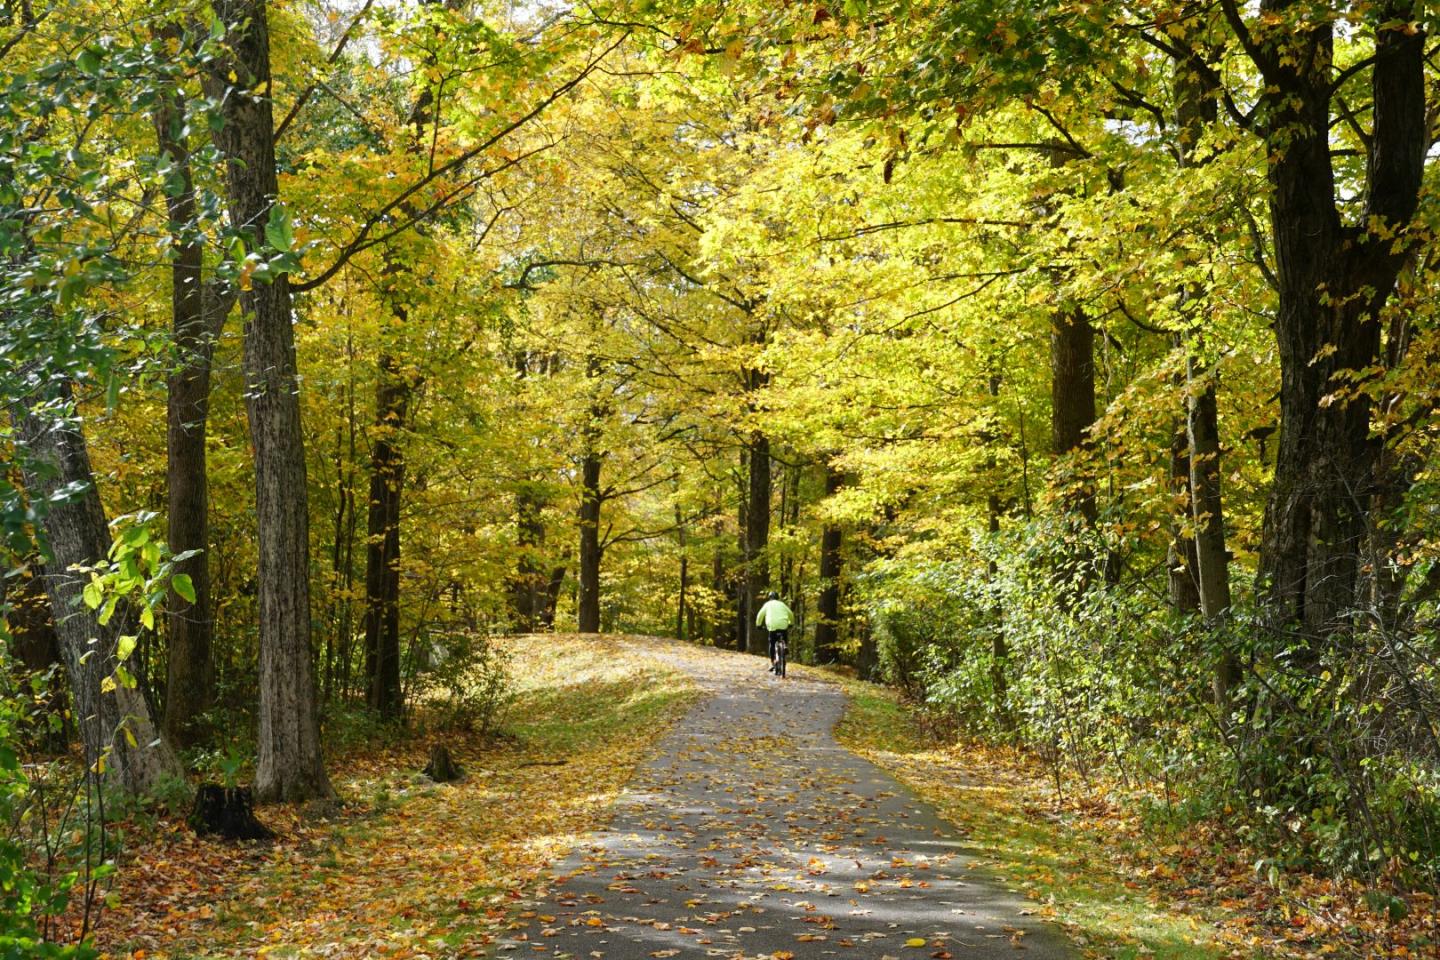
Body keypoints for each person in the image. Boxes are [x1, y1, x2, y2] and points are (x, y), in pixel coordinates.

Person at [755, 591, 794, 674]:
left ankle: (773, 663)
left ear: (769, 597)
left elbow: (760, 615)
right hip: (783, 625)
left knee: (772, 644)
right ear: (778, 598)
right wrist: (791, 623)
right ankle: (785, 646)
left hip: (772, 626)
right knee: (784, 635)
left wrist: (758, 625)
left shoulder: (767, 604)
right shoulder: (782, 604)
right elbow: (790, 613)